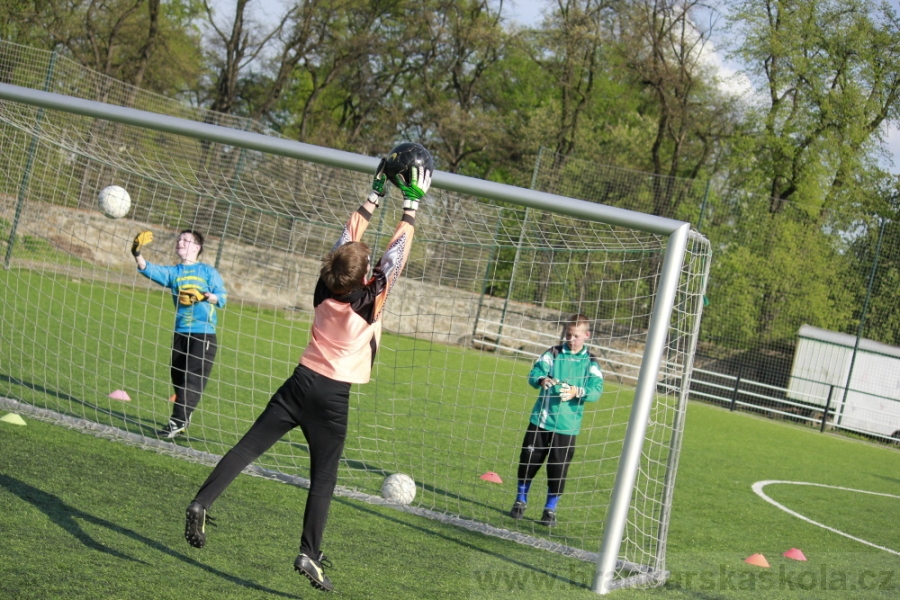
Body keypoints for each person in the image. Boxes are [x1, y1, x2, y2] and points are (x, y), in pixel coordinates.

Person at [181, 152, 432, 593]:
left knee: (247, 448)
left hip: (299, 383)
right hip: (333, 397)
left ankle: (202, 501)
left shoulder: (323, 283)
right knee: (324, 479)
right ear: (363, 278)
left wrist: (374, 195)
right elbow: (398, 254)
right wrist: (411, 204)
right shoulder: (373, 295)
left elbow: (348, 238)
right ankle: (308, 554)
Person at [131, 229, 227, 439]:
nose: (180, 242)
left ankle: (176, 422)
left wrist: (202, 296)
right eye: (179, 239)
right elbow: (148, 269)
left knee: (192, 379)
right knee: (178, 375)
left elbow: (222, 298)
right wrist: (136, 253)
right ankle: (184, 415)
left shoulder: (208, 272)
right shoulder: (175, 272)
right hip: (181, 331)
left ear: (196, 247)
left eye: (186, 240)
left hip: (203, 334)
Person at [510, 313, 604, 527]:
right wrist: (541, 379)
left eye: (576, 336)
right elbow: (535, 372)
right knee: (528, 462)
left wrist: (576, 391)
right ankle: (520, 500)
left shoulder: (590, 362)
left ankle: (550, 509)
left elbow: (597, 390)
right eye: (568, 335)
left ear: (586, 336)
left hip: (567, 427)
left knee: (558, 469)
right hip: (541, 421)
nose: (571, 340)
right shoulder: (552, 353)